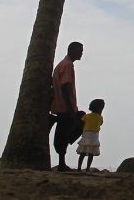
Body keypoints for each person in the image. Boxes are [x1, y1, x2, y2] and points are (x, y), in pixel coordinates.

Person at [50, 41, 83, 171]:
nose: (81, 53)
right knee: (65, 132)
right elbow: (65, 86)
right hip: (64, 106)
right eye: (80, 50)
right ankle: (62, 163)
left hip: (60, 105)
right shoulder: (67, 65)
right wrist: (70, 107)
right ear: (73, 51)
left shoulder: (61, 65)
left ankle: (62, 161)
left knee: (63, 132)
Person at [76, 99, 104, 171]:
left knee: (82, 153)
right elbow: (100, 123)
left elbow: (81, 123)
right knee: (91, 154)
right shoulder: (100, 117)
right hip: (94, 136)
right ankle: (88, 168)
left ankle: (79, 168)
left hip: (86, 134)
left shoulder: (86, 116)